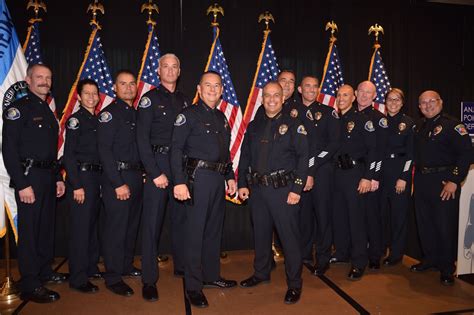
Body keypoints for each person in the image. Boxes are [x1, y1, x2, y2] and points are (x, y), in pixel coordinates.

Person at [171, 71, 237, 308]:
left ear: (221, 90)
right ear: (199, 89)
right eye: (207, 85)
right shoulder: (187, 115)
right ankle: (193, 287)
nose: (212, 89)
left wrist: (229, 176)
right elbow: (176, 149)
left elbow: (224, 152)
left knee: (213, 231)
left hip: (217, 179)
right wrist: (178, 181)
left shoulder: (221, 118)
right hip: (196, 179)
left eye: (217, 86)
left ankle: (211, 276)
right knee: (195, 234)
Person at [238, 81, 308, 304]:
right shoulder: (254, 125)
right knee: (261, 235)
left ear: (283, 98)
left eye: (276, 95)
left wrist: (297, 188)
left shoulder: (294, 124)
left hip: (283, 190)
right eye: (267, 95)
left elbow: (303, 159)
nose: (271, 99)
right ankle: (261, 273)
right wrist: (242, 184)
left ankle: (295, 284)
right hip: (258, 189)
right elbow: (246, 156)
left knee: (289, 240)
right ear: (261, 98)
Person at [2, 64, 66, 303]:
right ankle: (30, 283)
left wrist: (58, 177)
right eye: (39, 77)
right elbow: (8, 149)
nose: (44, 82)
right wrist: (21, 184)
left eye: (48, 78)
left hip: (48, 177)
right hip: (29, 178)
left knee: (45, 228)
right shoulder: (18, 109)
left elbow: (50, 150)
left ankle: (44, 271)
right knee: (29, 231)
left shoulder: (46, 110)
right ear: (28, 80)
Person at [136, 53, 188, 301]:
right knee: (152, 225)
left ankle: (182, 267)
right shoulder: (148, 100)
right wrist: (153, 172)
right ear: (158, 71)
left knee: (181, 220)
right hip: (157, 164)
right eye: (165, 66)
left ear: (179, 71)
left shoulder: (185, 101)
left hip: (180, 167)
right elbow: (141, 140)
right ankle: (149, 279)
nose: (169, 70)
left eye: (174, 66)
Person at [412, 90, 473, 285]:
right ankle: (430, 259)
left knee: (444, 225)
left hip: (444, 181)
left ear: (441, 102)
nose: (428, 105)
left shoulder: (453, 125)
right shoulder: (419, 126)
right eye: (423, 102)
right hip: (422, 181)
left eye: (432, 101)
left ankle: (447, 267)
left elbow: (466, 155)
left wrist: (454, 180)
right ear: (419, 107)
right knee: (425, 224)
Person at [97, 70, 143, 296]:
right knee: (116, 228)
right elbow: (104, 150)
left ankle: (125, 265)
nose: (128, 88)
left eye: (132, 84)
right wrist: (117, 183)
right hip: (118, 178)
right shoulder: (110, 114)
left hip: (135, 177)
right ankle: (113, 276)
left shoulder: (135, 114)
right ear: (114, 88)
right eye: (123, 84)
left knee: (131, 225)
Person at [331, 84, 377, 280]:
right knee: (339, 217)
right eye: (339, 95)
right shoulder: (335, 120)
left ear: (354, 98)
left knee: (356, 220)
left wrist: (368, 176)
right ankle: (342, 253)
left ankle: (359, 262)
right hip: (337, 174)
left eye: (346, 95)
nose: (341, 98)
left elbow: (374, 150)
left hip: (355, 173)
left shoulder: (362, 121)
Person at [296, 76, 341, 275]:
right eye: (308, 86)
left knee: (323, 215)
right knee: (303, 215)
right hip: (298, 171)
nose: (312, 89)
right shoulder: (291, 111)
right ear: (300, 89)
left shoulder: (327, 112)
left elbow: (333, 144)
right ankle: (304, 253)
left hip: (321, 171)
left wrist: (311, 167)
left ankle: (323, 258)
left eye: (315, 86)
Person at [64, 79, 102, 294]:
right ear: (78, 96)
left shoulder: (96, 120)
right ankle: (78, 278)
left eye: (94, 93)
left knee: (91, 226)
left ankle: (90, 267)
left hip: (96, 177)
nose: (90, 97)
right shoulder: (76, 121)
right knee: (80, 229)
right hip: (82, 178)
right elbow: (69, 156)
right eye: (86, 93)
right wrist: (76, 185)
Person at [354, 81, 388, 270]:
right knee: (358, 216)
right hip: (355, 174)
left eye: (369, 93)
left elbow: (380, 151)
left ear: (374, 96)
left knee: (372, 216)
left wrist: (374, 176)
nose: (365, 95)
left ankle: (375, 254)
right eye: (362, 92)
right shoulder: (351, 116)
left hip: (371, 175)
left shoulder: (378, 118)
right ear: (356, 93)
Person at [379, 88, 415, 266]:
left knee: (398, 216)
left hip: (399, 172)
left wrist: (404, 177)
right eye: (390, 100)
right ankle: (381, 248)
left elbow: (411, 155)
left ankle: (396, 254)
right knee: (382, 215)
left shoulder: (408, 123)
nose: (393, 103)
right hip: (382, 171)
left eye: (397, 100)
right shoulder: (380, 122)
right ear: (385, 102)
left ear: (402, 103)